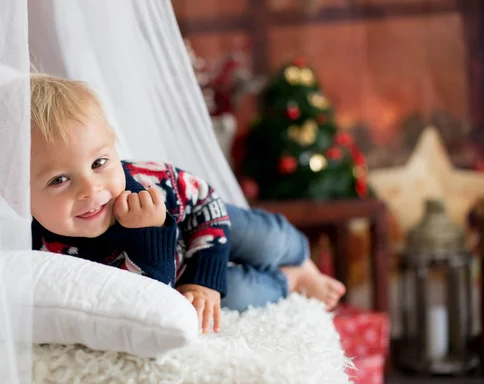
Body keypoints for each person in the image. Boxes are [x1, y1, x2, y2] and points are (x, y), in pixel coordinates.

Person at [29, 73, 346, 334]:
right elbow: (147, 301)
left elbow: (206, 203)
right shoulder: (45, 254)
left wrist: (205, 277)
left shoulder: (151, 181)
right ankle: (293, 279)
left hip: (202, 226)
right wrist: (149, 236)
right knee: (237, 296)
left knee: (263, 238)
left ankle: (299, 254)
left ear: (114, 148)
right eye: (59, 180)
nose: (91, 188)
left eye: (99, 162)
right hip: (174, 276)